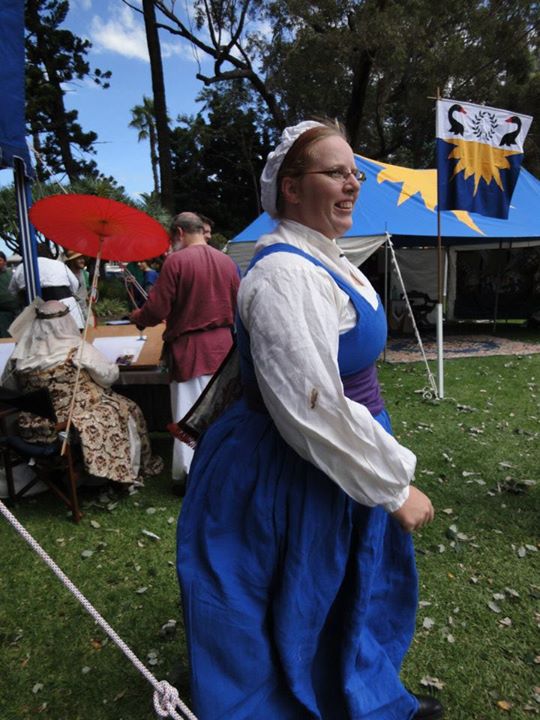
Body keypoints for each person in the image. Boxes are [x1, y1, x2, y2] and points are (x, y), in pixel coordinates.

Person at [176, 121, 443, 720]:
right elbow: (308, 401)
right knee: (281, 585)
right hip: (288, 458)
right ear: (291, 188)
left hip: (332, 453)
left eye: (355, 173)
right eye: (334, 173)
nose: (352, 185)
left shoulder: (329, 261)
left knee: (341, 583)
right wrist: (392, 485)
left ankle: (355, 692)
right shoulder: (283, 274)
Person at [130, 212, 240, 491]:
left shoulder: (176, 261)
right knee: (222, 411)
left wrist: (139, 317)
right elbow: (238, 304)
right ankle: (225, 468)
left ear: (179, 232)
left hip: (191, 348)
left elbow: (157, 310)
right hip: (224, 347)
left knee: (188, 414)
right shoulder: (227, 261)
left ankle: (191, 474)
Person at [2, 300, 163, 488]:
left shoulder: (20, 356)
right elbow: (108, 377)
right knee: (126, 406)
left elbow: (11, 387)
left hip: (34, 426)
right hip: (72, 424)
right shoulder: (76, 349)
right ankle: (120, 469)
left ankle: (74, 469)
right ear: (65, 320)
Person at [9, 243, 84, 329]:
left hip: (35, 309)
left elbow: (13, 291)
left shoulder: (22, 268)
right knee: (72, 337)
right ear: (48, 253)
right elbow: (75, 285)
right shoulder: (58, 264)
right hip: (63, 306)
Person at [64, 250, 94, 326]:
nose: (82, 261)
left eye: (83, 258)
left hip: (86, 310)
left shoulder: (85, 274)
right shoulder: (65, 274)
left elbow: (86, 292)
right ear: (72, 261)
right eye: (79, 259)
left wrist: (90, 297)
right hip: (72, 311)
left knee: (90, 332)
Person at [0, 251, 18, 337]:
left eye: (0, 260)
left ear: (5, 262)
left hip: (16, 312)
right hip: (2, 316)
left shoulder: (12, 273)